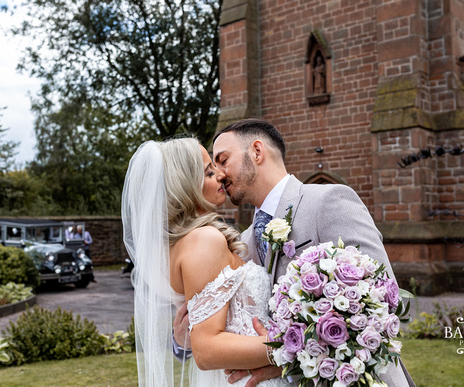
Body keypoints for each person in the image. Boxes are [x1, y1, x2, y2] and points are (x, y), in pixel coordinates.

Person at [174, 118, 415, 387]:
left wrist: (287, 359)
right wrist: (182, 341)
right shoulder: (241, 243)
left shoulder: (329, 201)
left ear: (256, 151)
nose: (219, 174)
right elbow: (226, 326)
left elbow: (386, 299)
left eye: (223, 160)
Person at [121, 138, 292, 387]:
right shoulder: (204, 240)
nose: (221, 176)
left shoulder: (181, 245)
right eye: (210, 172)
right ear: (187, 186)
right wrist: (291, 348)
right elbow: (206, 349)